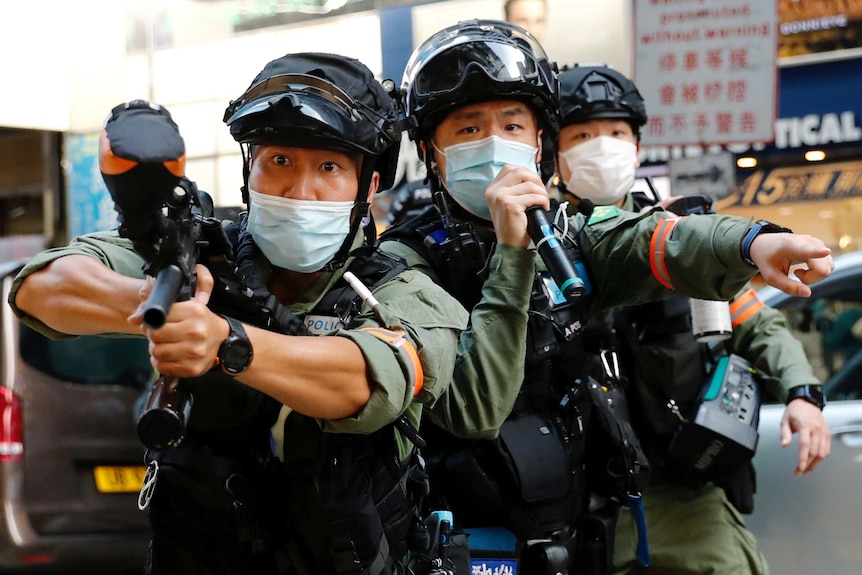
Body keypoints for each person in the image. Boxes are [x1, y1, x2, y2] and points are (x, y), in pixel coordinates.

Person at [379, 19, 834, 575]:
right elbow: (473, 408)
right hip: (471, 536)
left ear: (538, 142)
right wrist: (512, 254)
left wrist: (751, 241)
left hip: (609, 507)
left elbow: (655, 239)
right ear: (431, 149)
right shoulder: (404, 263)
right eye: (469, 128)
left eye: (512, 124)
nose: (494, 142)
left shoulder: (571, 233)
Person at [10, 53, 469, 574]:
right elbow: (41, 286)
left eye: (329, 168)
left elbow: (365, 383)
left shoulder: (406, 289)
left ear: (368, 187)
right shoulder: (201, 251)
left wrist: (227, 341)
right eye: (279, 162)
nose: (300, 191)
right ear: (247, 171)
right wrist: (150, 305)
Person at [554, 64, 832, 575]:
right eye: (583, 135)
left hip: (684, 496)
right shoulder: (531, 248)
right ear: (554, 153)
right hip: (578, 511)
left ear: (637, 148)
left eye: (616, 133)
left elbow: (759, 326)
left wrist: (801, 393)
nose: (602, 146)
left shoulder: (683, 241)